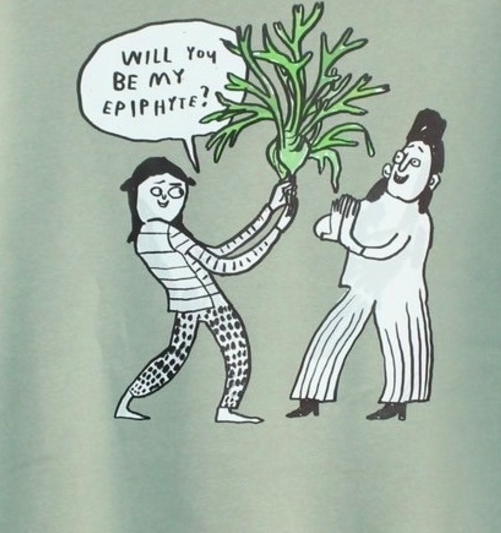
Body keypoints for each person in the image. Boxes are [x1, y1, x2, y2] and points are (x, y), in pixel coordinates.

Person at [287, 109, 444, 421]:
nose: (402, 166)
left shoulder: (417, 219)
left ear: (432, 180)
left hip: (400, 290)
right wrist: (335, 225)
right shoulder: (375, 205)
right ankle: (310, 396)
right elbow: (330, 225)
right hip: (364, 285)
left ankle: (398, 402)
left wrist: (344, 234)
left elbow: (383, 249)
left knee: (403, 341)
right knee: (333, 333)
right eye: (401, 158)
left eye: (415, 163)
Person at [117, 157, 297, 423]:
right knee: (236, 354)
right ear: (136, 192)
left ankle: (126, 401)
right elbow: (227, 264)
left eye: (176, 192)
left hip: (186, 304)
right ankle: (226, 408)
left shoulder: (144, 236)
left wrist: (271, 209)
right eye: (156, 191)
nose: (166, 199)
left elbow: (220, 251)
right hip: (210, 302)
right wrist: (277, 228)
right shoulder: (165, 231)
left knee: (174, 357)